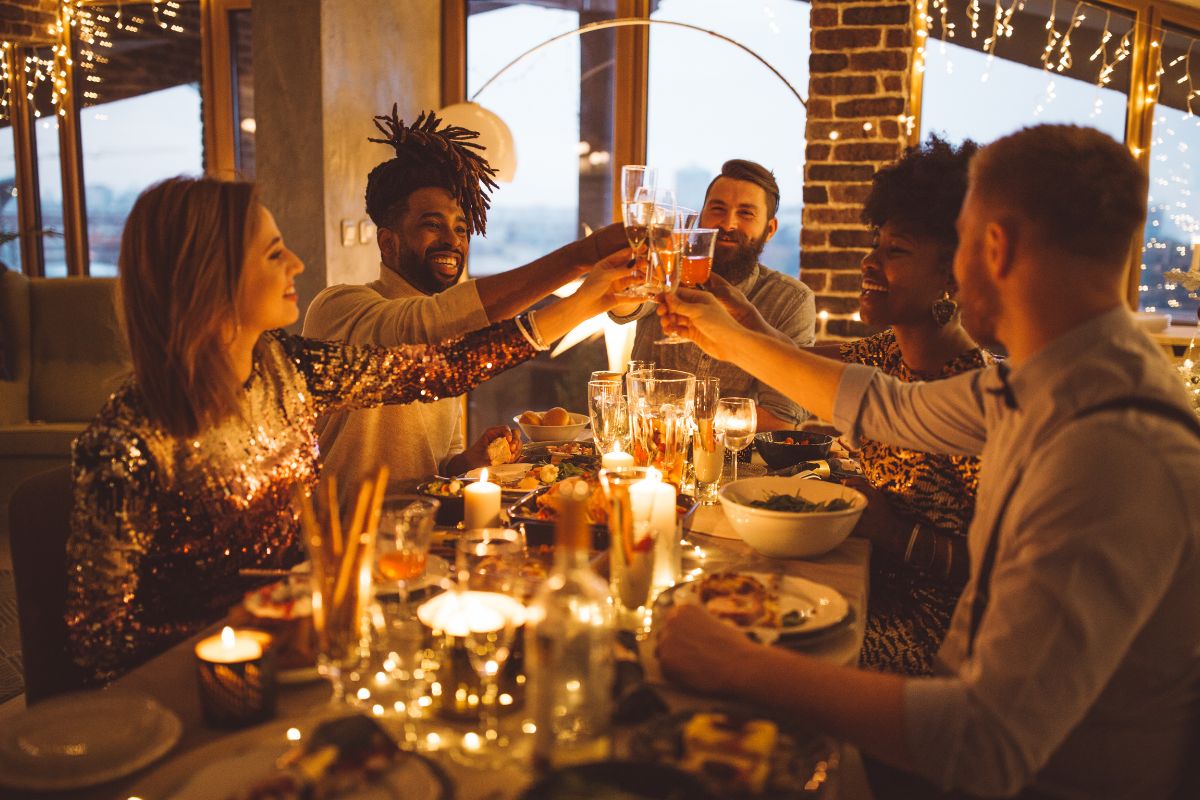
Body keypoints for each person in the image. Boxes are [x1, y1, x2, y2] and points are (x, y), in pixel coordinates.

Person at [654, 125, 1200, 798]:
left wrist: (739, 666)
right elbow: (884, 406)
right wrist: (730, 334)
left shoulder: (1114, 451)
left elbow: (983, 744)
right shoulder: (1057, 376)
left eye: (961, 241)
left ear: (991, 248)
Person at [66, 176, 632, 685]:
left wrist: (587, 302)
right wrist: (251, 629)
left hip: (308, 641)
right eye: (272, 253)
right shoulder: (127, 441)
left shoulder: (284, 367)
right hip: (205, 685)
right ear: (209, 278)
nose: (296, 263)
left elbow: (441, 369)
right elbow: (99, 647)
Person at [706, 137, 988, 676]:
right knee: (727, 600)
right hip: (866, 582)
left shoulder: (973, 396)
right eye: (874, 244)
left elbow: (993, 566)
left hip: (931, 631)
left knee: (754, 646)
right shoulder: (888, 350)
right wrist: (735, 310)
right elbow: (794, 357)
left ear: (953, 274)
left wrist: (892, 532)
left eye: (895, 251)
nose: (869, 262)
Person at [304, 108, 627, 484]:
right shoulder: (339, 307)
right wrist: (583, 257)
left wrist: (468, 460)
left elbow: (439, 468)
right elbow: (422, 324)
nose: (452, 241)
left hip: (425, 531)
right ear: (387, 241)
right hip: (344, 536)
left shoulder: (455, 332)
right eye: (432, 224)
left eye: (461, 228)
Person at [609, 159, 816, 431]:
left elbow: (780, 418)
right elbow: (623, 308)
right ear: (701, 218)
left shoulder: (790, 300)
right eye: (718, 209)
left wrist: (677, 425)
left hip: (733, 466)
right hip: (642, 453)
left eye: (746, 213)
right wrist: (636, 270)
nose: (728, 224)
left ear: (770, 229)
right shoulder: (670, 270)